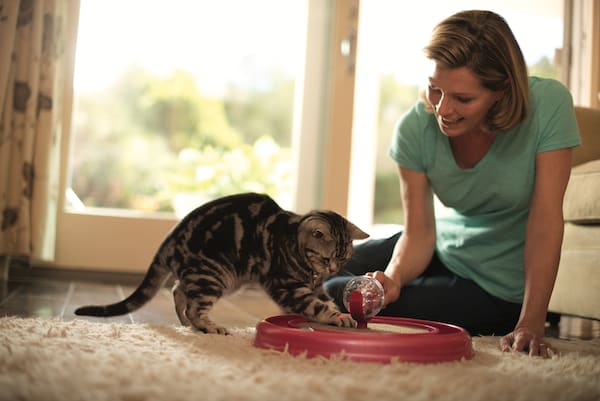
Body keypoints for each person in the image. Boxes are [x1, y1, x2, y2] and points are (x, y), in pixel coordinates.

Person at [324, 10, 581, 358]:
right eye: (435, 89)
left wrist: (531, 322)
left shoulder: (549, 105)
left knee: (338, 291)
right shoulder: (415, 128)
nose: (442, 109)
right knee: (323, 266)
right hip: (439, 246)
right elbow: (419, 232)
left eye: (463, 98)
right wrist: (394, 279)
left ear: (502, 90)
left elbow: (546, 221)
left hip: (496, 285)